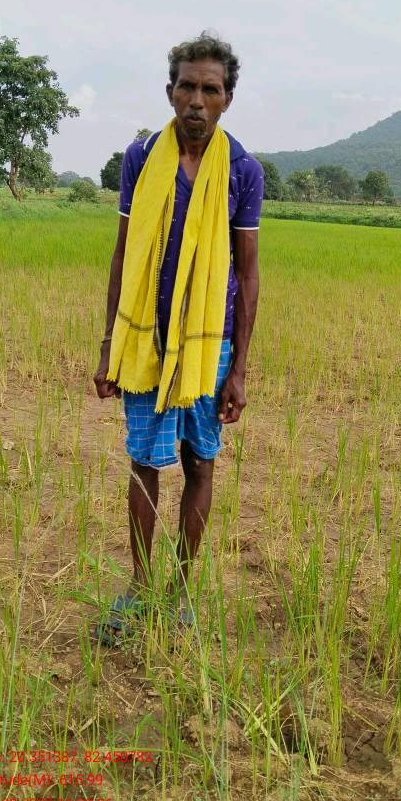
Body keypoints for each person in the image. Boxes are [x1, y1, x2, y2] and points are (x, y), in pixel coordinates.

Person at [93, 32, 263, 645]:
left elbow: (247, 273)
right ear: (169, 92)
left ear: (227, 99)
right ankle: (140, 588)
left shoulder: (242, 170)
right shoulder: (141, 158)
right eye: (186, 86)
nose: (197, 99)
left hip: (210, 346)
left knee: (199, 463)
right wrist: (110, 347)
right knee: (144, 462)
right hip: (148, 340)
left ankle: (182, 592)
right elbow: (123, 254)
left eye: (210, 89)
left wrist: (238, 370)